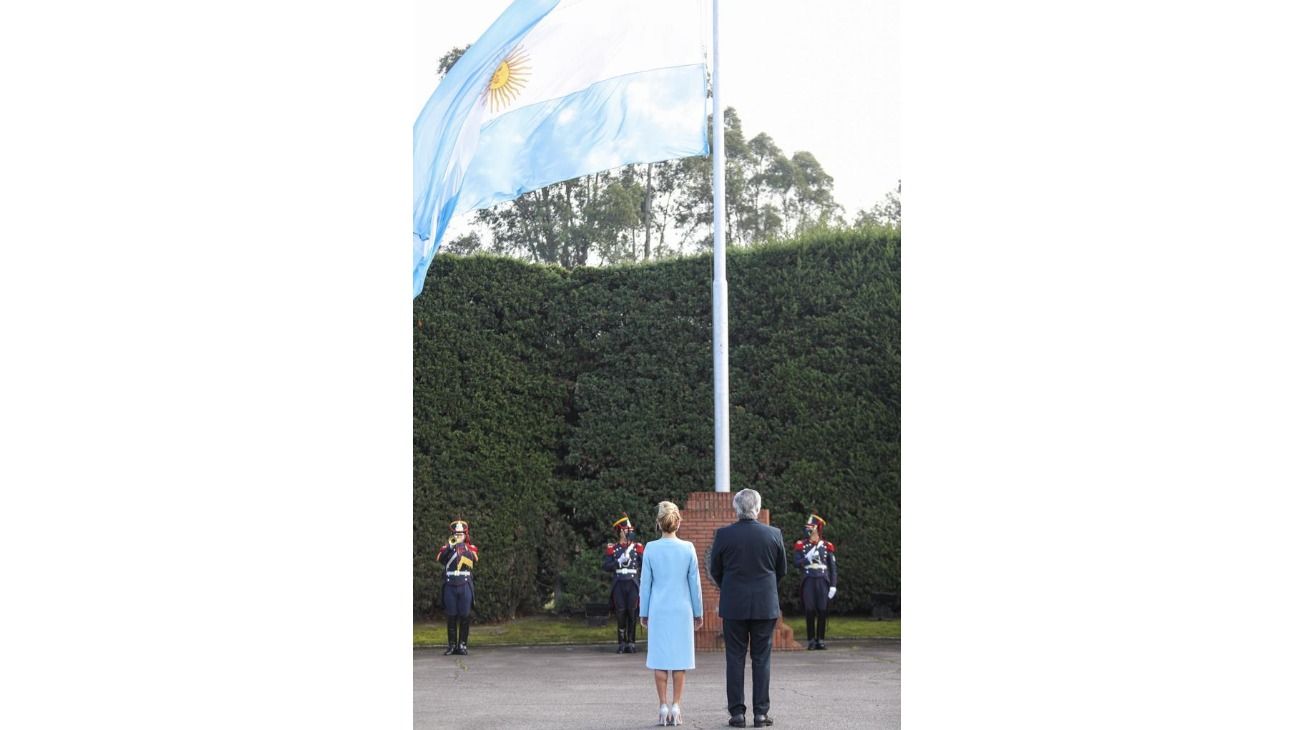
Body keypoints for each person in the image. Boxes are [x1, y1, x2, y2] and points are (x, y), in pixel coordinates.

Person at [709, 489, 786, 728]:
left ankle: (737, 714)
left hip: (734, 605)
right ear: (758, 508)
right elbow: (780, 570)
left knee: (735, 658)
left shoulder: (724, 535)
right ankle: (761, 714)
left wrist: (730, 588)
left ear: (736, 508)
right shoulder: (773, 534)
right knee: (761, 659)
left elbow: (715, 569)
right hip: (765, 604)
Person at [639, 501, 703, 727]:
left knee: (659, 659)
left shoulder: (650, 548)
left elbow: (645, 584)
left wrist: (643, 612)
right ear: (678, 523)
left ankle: (662, 705)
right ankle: (676, 705)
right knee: (679, 660)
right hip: (682, 610)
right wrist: (698, 612)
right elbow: (694, 584)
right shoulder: (688, 548)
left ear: (659, 523)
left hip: (659, 609)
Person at [602, 513, 645, 653]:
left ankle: (631, 642)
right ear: (620, 531)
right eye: (626, 531)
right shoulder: (613, 548)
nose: (628, 533)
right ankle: (621, 643)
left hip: (632, 583)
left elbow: (644, 564)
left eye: (630, 531)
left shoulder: (637, 547)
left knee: (632, 613)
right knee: (620, 613)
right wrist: (617, 562)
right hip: (619, 583)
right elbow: (606, 566)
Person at [793, 514, 838, 650]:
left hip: (823, 581)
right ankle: (811, 640)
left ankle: (821, 639)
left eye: (811, 528)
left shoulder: (826, 546)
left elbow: (833, 568)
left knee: (823, 610)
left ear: (818, 529)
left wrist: (833, 585)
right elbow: (796, 563)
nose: (809, 531)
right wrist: (808, 558)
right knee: (810, 610)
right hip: (809, 580)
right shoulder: (801, 545)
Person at [435, 519, 478, 656]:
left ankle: (462, 645)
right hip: (450, 585)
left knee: (465, 616)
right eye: (456, 533)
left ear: (466, 535)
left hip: (464, 584)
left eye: (461, 534)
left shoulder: (470, 548)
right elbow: (440, 559)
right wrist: (450, 547)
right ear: (453, 534)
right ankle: (452, 646)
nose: (459, 536)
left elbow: (474, 560)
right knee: (451, 616)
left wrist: (463, 547)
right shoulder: (446, 547)